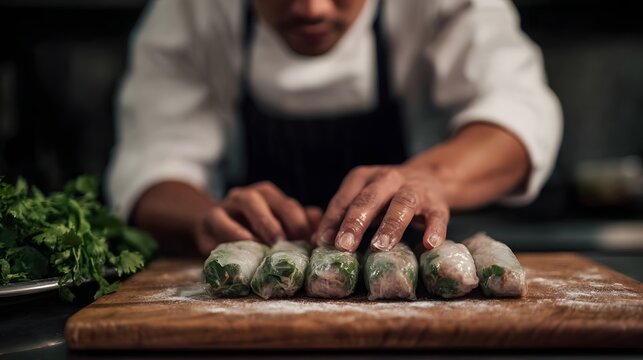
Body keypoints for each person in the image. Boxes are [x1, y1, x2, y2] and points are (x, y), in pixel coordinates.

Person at [107, 0, 562, 256]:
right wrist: (201, 220)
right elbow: (152, 160)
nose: (312, 9)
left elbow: (519, 112)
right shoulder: (191, 11)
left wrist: (430, 179)